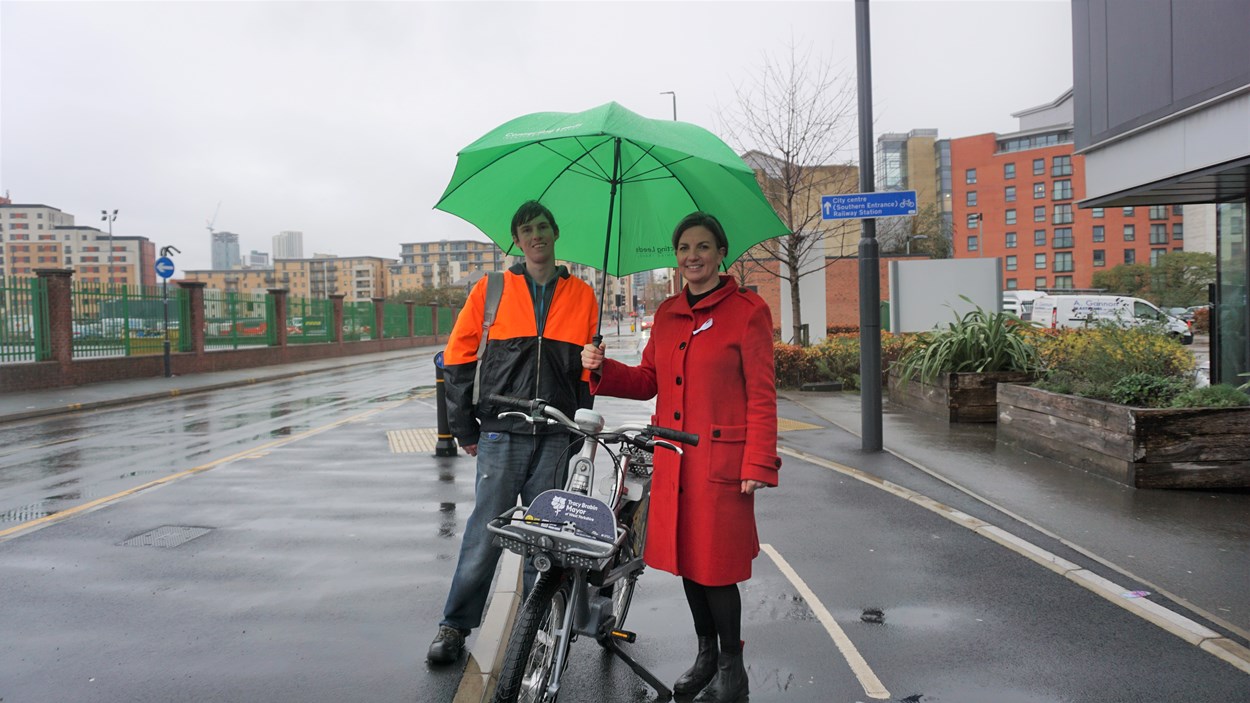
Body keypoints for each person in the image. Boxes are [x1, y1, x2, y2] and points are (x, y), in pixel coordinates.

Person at [581, 212, 779, 703]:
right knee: (691, 564)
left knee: (718, 569)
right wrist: (604, 369)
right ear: (677, 256)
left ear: (720, 252)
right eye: (685, 247)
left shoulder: (747, 310)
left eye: (704, 246)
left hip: (722, 465)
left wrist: (758, 462)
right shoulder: (668, 314)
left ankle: (732, 667)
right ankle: (706, 655)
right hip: (674, 459)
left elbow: (762, 394)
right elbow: (649, 378)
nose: (693, 255)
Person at [427, 200, 598, 665]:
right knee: (487, 532)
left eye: (543, 226)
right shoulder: (493, 288)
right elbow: (458, 356)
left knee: (545, 539)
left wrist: (581, 425)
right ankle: (455, 625)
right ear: (517, 241)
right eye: (526, 230)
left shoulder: (583, 295)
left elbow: (587, 374)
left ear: (555, 231)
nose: (536, 235)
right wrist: (464, 426)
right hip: (503, 430)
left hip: (557, 435)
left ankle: (534, 624)